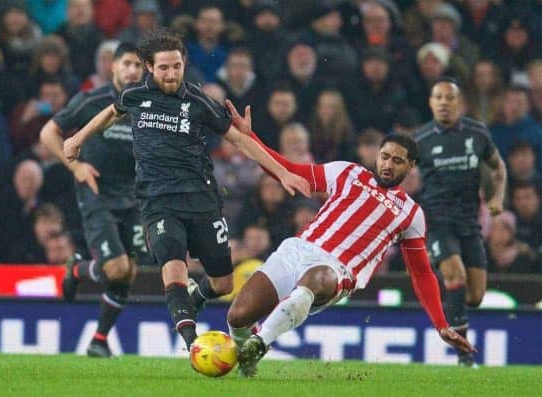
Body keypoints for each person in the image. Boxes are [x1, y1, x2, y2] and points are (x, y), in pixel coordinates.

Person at [62, 30, 310, 351]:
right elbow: (112, 112)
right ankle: (193, 343)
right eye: (164, 68)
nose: (171, 74)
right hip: (157, 202)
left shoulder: (198, 100)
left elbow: (239, 138)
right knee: (173, 267)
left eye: (176, 67)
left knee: (223, 284)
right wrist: (78, 139)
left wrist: (281, 172)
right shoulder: (136, 95)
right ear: (149, 67)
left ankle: (198, 296)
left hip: (202, 200)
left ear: (183, 64)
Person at [223, 100, 474, 378]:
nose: (388, 165)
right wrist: (250, 137)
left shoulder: (411, 214)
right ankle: (248, 367)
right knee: (237, 316)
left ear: (411, 166)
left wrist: (440, 323)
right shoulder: (347, 172)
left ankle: (260, 343)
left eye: (398, 160)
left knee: (316, 279)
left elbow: (421, 273)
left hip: (337, 270)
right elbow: (288, 170)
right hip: (297, 250)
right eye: (385, 157)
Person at [39, 42, 147, 358]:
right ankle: (76, 269)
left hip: (134, 196)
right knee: (115, 268)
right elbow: (49, 133)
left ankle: (99, 340)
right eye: (126, 63)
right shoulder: (93, 100)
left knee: (129, 272)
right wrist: (75, 165)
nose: (132, 70)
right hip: (97, 192)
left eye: (138, 66)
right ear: (112, 66)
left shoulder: (148, 107)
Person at [413, 77, 507, 367]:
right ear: (430, 103)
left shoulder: (477, 133)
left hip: (469, 222)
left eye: (449, 97)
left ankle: (450, 305)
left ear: (460, 102)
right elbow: (400, 175)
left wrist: (497, 199)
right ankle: (464, 356)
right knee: (455, 275)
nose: (443, 102)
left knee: (476, 296)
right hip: (437, 220)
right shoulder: (420, 140)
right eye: (438, 97)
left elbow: (498, 166)